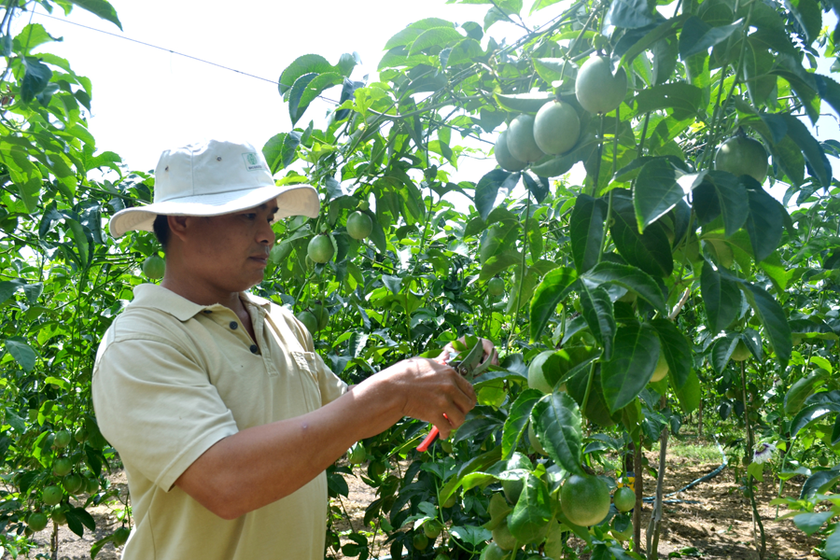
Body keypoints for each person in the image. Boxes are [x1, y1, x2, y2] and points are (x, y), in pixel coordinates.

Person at [92, 139, 494, 560]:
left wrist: (441, 371)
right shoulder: (142, 341)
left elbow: (342, 415)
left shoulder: (280, 322)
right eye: (248, 216)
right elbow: (224, 482)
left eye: (268, 216)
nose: (268, 234)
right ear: (181, 222)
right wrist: (395, 389)